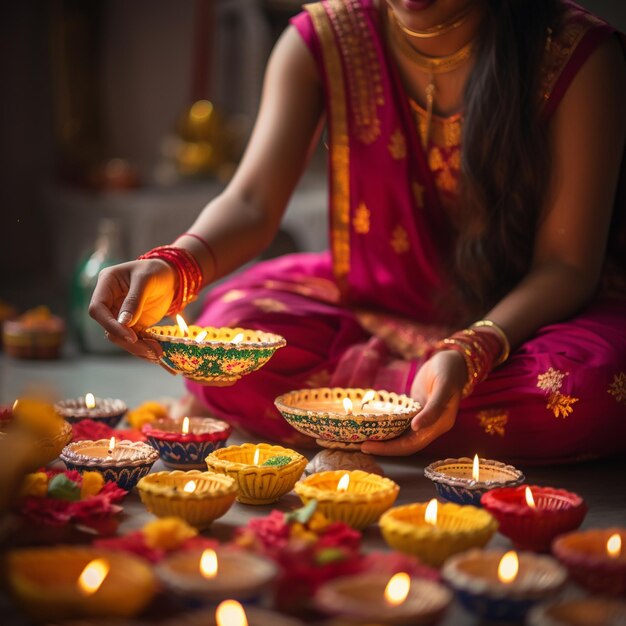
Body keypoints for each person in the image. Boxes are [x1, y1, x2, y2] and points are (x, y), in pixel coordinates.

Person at [90, 0, 626, 463]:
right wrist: (175, 265)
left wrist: (472, 351)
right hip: (370, 303)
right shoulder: (323, 40)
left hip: (522, 327)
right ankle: (418, 410)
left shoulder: (578, 56)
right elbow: (252, 203)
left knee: (589, 388)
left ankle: (348, 413)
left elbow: (567, 265)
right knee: (230, 328)